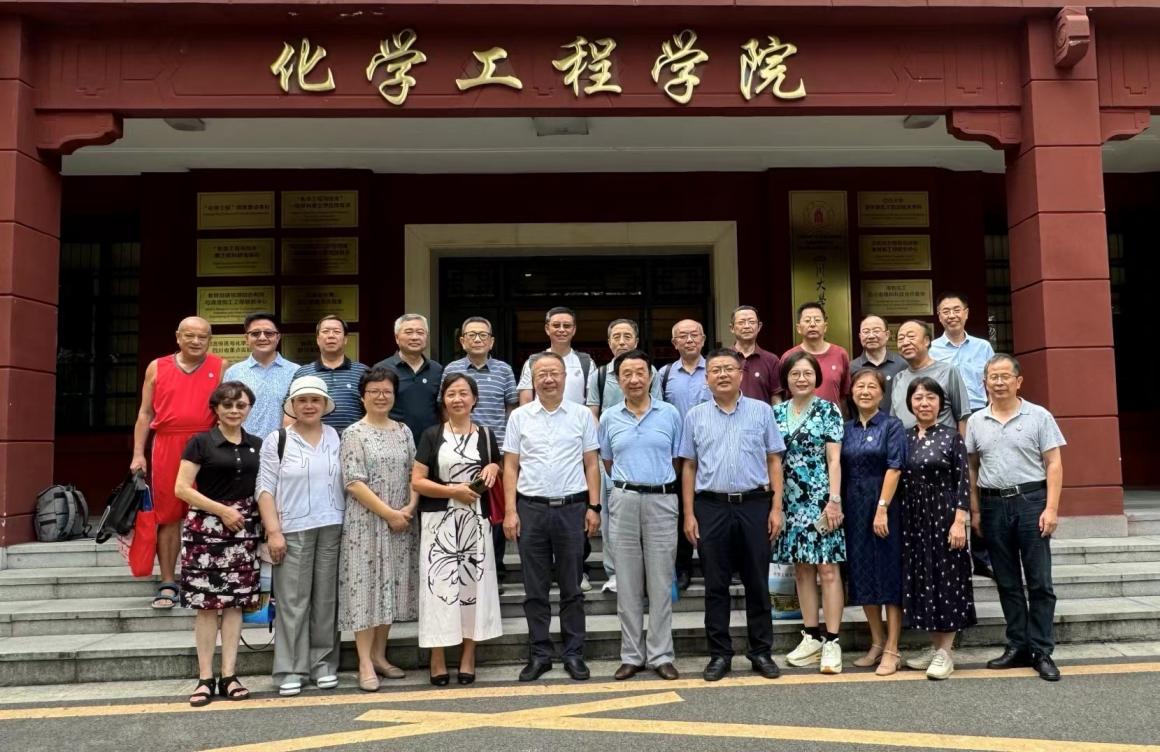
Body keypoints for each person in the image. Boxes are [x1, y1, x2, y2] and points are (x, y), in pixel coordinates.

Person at [679, 348, 785, 682]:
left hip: (754, 504)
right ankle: (719, 654)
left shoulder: (762, 411)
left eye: (729, 368)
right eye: (715, 370)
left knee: (757, 582)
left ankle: (761, 651)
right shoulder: (695, 416)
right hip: (711, 506)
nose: (722, 374)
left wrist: (776, 507)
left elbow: (774, 460)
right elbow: (689, 466)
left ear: (741, 373)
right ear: (706, 378)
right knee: (715, 584)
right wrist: (689, 514)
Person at [503, 352, 601, 682]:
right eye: (541, 374)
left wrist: (594, 506)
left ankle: (574, 653)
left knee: (572, 586)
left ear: (564, 377)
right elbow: (511, 466)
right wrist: (511, 510)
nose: (548, 379)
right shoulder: (519, 417)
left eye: (554, 373)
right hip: (531, 509)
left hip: (572, 508)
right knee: (535, 588)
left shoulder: (581, 415)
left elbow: (591, 463)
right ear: (533, 379)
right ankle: (540, 654)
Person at [968, 354, 1066, 682]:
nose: (998, 382)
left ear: (1018, 381)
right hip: (993, 505)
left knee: (1040, 582)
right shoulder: (976, 421)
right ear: (984, 382)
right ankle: (1018, 645)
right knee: (1007, 581)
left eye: (1005, 376)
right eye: (992, 377)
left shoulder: (1039, 416)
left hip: (1031, 502)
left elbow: (1054, 463)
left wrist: (1051, 508)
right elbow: (972, 467)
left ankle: (1041, 650)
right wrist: (976, 510)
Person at [173, 381, 263, 707]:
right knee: (207, 606)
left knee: (235, 604)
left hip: (244, 530)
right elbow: (182, 488)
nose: (234, 411)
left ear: (249, 409)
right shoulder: (200, 442)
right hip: (206, 531)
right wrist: (221, 510)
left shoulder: (257, 444)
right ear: (216, 409)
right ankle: (204, 678)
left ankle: (229, 675)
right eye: (228, 405)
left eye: (241, 405)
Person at [412, 373, 504, 686]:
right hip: (439, 522)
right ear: (444, 399)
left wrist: (493, 466)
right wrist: (454, 491)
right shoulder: (432, 435)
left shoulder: (487, 435)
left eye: (464, 393)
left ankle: (468, 654)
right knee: (438, 589)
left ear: (474, 399)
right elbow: (418, 481)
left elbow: (496, 468)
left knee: (472, 589)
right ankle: (437, 656)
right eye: (451, 393)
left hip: (476, 521)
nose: (458, 399)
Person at [256, 376, 345, 697]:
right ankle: (290, 669)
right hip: (291, 529)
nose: (309, 406)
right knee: (293, 602)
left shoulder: (335, 436)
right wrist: (273, 532)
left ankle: (323, 664)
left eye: (315, 400)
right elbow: (264, 489)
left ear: (324, 404)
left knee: (326, 600)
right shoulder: (277, 439)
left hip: (333, 525)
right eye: (302, 400)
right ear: (292, 405)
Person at [598, 350, 683, 681]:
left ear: (650, 377)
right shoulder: (609, 417)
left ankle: (661, 654)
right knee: (628, 582)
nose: (634, 379)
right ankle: (631, 655)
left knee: (660, 582)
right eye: (626, 374)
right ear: (618, 380)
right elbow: (608, 462)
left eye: (640, 373)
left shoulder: (670, 414)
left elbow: (677, 460)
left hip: (662, 499)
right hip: (624, 499)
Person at [130, 316, 223, 610]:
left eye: (202, 337)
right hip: (167, 443)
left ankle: (204, 576)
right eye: (189, 335)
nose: (196, 341)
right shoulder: (157, 367)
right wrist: (138, 453)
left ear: (209, 340)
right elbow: (145, 413)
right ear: (178, 337)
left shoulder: (220, 366)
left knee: (209, 511)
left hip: (207, 445)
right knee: (168, 515)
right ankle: (168, 580)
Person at [338, 366, 420, 692]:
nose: (381, 396)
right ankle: (363, 662)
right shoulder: (353, 433)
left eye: (387, 391)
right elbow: (353, 482)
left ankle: (380, 656)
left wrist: (409, 508)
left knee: (390, 588)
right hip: (366, 523)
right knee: (365, 590)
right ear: (363, 397)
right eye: (374, 391)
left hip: (401, 522)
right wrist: (389, 513)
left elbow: (415, 472)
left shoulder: (403, 431)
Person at [772, 351, 846, 675]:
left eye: (807, 373)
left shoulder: (829, 410)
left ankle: (832, 640)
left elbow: (834, 459)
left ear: (817, 377)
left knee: (827, 569)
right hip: (789, 502)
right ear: (786, 379)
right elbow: (772, 461)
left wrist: (835, 500)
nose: (801, 379)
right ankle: (811, 635)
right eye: (795, 374)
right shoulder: (776, 413)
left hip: (821, 501)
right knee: (802, 569)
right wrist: (775, 504)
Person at [900, 377, 976, 680]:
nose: (924, 403)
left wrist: (960, 521)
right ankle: (935, 648)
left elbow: (963, 481)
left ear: (940, 403)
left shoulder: (951, 437)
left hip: (944, 518)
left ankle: (946, 652)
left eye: (930, 398)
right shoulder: (904, 437)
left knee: (947, 581)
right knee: (924, 581)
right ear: (910, 403)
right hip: (914, 521)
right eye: (918, 398)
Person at [587, 318, 663, 594]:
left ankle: (647, 574)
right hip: (611, 456)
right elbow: (592, 413)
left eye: (627, 336)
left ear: (636, 341)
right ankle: (615, 572)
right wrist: (605, 447)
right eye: (616, 336)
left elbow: (657, 408)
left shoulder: (650, 372)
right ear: (609, 342)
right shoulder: (598, 375)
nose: (621, 341)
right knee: (612, 519)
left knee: (648, 520)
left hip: (646, 454)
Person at [443, 316, 519, 590]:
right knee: (465, 509)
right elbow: (445, 406)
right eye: (471, 335)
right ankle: (464, 570)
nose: (477, 339)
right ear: (462, 341)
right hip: (459, 448)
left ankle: (494, 571)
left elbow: (512, 409)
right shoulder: (452, 369)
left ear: (492, 341)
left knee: (494, 512)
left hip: (494, 450)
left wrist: (506, 452)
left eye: (482, 335)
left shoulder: (504, 370)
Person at [839, 368, 907, 676]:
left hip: (884, 506)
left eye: (872, 387)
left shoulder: (892, 426)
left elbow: (895, 467)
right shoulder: (846, 428)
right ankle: (877, 642)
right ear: (852, 392)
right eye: (860, 386)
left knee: (889, 575)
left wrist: (882, 508)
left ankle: (893, 648)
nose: (865, 391)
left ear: (882, 394)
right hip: (854, 508)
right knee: (863, 574)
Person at [657, 318, 713, 591]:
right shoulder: (664, 374)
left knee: (712, 511)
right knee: (680, 513)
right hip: (679, 457)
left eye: (694, 334)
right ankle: (682, 567)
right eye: (683, 336)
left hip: (712, 453)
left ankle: (715, 565)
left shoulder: (715, 369)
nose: (689, 340)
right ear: (674, 342)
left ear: (703, 339)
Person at [223, 312, 299, 439]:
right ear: (246, 338)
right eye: (255, 333)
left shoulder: (296, 372)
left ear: (278, 337)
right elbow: (226, 412)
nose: (262, 338)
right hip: (243, 446)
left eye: (269, 333)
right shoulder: (233, 372)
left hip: (283, 446)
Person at [291, 315, 368, 433]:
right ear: (318, 339)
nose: (331, 335)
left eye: (337, 332)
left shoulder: (363, 372)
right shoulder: (303, 373)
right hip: (313, 440)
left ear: (345, 339)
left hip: (355, 440)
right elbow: (291, 414)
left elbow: (373, 410)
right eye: (325, 331)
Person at [890, 321, 971, 432]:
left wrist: (960, 443)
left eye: (911, 337)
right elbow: (894, 420)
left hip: (943, 442)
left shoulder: (948, 372)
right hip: (905, 442)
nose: (905, 342)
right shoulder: (898, 378)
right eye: (900, 339)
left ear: (926, 341)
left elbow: (962, 416)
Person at [375, 313, 443, 441]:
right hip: (392, 441)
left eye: (420, 332)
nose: (415, 337)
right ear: (397, 337)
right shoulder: (382, 369)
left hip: (431, 442)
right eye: (409, 332)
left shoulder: (437, 370)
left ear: (426, 337)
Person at [517, 306, 594, 406]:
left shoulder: (587, 363)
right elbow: (525, 403)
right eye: (556, 325)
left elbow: (592, 403)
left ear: (574, 330)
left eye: (566, 326)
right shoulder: (533, 362)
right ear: (547, 329)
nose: (561, 330)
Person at [931, 292, 994, 412]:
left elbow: (993, 381)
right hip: (945, 413)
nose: (951, 315)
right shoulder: (931, 350)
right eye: (946, 312)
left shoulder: (983, 347)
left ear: (966, 313)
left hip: (978, 410)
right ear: (939, 317)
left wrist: (992, 411)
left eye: (956, 310)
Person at [781, 302, 851, 411]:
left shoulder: (840, 354)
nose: (812, 324)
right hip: (798, 418)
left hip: (832, 418)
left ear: (825, 327)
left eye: (817, 320)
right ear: (798, 328)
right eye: (807, 320)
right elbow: (784, 395)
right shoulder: (788, 357)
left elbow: (844, 396)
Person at [848, 314, 906, 417]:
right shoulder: (851, 367)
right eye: (866, 332)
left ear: (887, 335)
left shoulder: (902, 365)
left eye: (876, 331)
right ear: (860, 336)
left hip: (896, 425)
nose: (871, 336)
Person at [728, 305, 782, 404]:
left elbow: (776, 397)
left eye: (751, 322)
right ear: (732, 328)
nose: (747, 326)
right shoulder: (722, 358)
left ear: (759, 326)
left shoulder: (771, 360)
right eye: (741, 322)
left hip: (761, 414)